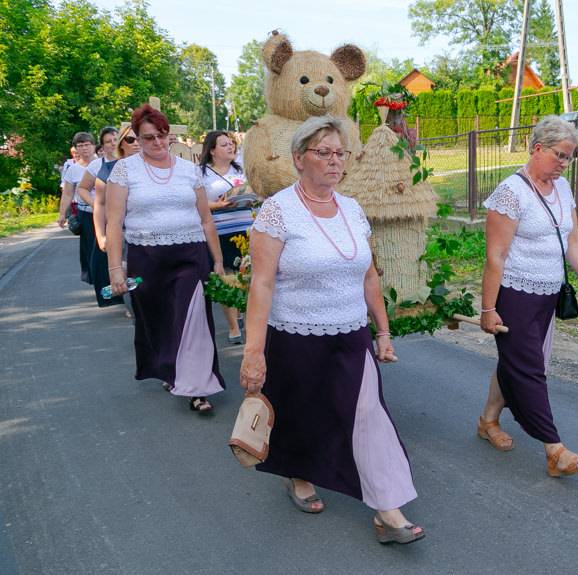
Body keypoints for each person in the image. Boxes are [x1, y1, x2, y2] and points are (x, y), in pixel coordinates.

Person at [240, 116, 424, 545]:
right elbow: (261, 283)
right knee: (304, 412)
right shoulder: (277, 210)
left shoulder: (353, 209)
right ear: (299, 158)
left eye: (341, 153)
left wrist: (383, 332)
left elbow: (369, 276)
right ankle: (298, 475)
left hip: (350, 333)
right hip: (294, 334)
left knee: (367, 414)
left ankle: (388, 510)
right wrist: (254, 350)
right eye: (324, 152)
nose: (335, 161)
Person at [479, 115, 578, 477]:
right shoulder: (510, 192)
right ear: (537, 149)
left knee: (516, 363)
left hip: (547, 297)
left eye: (570, 157)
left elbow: (573, 240)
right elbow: (494, 257)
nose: (565, 164)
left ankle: (488, 421)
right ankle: (555, 450)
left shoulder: (562, 189)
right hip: (514, 296)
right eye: (560, 156)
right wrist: (488, 308)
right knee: (530, 369)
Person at [106, 104, 225, 414]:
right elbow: (114, 222)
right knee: (159, 319)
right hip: (146, 259)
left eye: (162, 136)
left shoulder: (188, 171)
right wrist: (116, 269)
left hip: (190, 255)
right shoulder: (125, 170)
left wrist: (218, 261)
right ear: (136, 138)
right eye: (148, 139)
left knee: (193, 316)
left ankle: (198, 388)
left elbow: (206, 220)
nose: (157, 144)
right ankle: (171, 369)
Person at [199, 130, 253, 344]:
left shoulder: (241, 170)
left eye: (231, 143)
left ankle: (249, 323)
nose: (230, 147)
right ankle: (233, 327)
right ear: (212, 150)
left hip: (246, 226)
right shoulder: (202, 174)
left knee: (248, 275)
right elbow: (198, 204)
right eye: (224, 144)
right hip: (219, 229)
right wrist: (217, 205)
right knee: (227, 275)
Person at [93, 125, 140, 316]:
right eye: (130, 140)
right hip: (121, 233)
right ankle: (135, 311)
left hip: (150, 234)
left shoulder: (157, 167)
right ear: (122, 144)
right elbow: (100, 204)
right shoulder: (110, 169)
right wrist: (101, 235)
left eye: (139, 138)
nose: (136, 143)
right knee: (130, 277)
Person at [76, 126, 119, 306]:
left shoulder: (133, 162)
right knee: (104, 259)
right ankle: (115, 297)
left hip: (130, 218)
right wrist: (95, 206)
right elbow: (82, 188)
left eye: (116, 140)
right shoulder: (97, 165)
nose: (113, 144)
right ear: (102, 146)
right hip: (107, 219)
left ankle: (131, 299)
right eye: (108, 141)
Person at [58, 132, 98, 283]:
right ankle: (94, 278)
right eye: (80, 146)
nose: (84, 148)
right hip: (85, 214)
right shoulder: (73, 169)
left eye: (87, 144)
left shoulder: (103, 163)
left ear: (94, 146)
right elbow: (68, 194)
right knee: (89, 248)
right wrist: (62, 215)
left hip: (105, 213)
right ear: (75, 149)